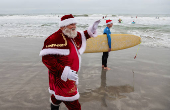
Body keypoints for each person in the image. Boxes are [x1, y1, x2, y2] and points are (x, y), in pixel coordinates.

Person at [39, 14, 100, 110]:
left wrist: (92, 28)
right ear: (63, 26)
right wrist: (65, 72)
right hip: (62, 78)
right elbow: (46, 59)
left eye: (74, 23)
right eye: (71, 24)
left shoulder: (71, 34)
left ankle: (54, 108)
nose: (74, 26)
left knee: (57, 97)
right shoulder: (53, 39)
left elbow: (83, 35)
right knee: (74, 105)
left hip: (70, 76)